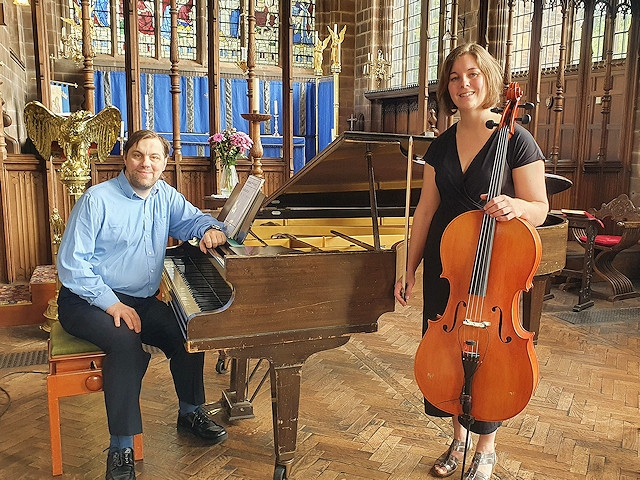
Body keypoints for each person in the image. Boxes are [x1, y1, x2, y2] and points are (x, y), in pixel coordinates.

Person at [394, 43, 549, 480]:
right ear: (447, 86)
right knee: (449, 350)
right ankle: (458, 438)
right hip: (448, 267)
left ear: (490, 78)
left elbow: (539, 207)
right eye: (455, 77)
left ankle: (486, 447)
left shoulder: (515, 138)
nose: (464, 84)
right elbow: (424, 211)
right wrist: (407, 267)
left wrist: (516, 207)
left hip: (494, 265)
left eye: (473, 74)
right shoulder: (440, 146)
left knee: (490, 354)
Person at [56, 130, 229, 480]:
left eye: (154, 157)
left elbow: (194, 220)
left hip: (138, 300)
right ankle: (121, 447)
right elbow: (72, 266)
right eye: (138, 154)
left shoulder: (165, 195)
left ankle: (190, 411)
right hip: (86, 299)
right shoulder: (96, 199)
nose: (145, 163)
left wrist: (210, 227)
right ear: (125, 158)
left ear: (165, 164)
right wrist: (110, 304)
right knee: (124, 341)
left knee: (188, 328)